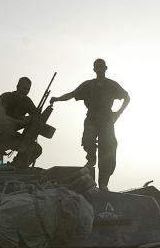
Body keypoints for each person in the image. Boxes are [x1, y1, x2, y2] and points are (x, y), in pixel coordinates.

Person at [50, 58, 129, 190]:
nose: (99, 69)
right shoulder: (88, 85)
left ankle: (103, 183)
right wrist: (57, 99)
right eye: (97, 67)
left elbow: (127, 97)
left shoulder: (112, 85)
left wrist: (118, 113)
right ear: (94, 69)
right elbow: (72, 94)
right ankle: (91, 158)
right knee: (88, 140)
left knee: (108, 150)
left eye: (102, 66)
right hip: (92, 117)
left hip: (107, 119)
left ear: (106, 68)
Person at [0, 77, 43, 166]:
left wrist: (37, 118)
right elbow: (1, 118)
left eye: (28, 89)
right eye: (24, 88)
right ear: (17, 86)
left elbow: (37, 117)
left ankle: (16, 165)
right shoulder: (6, 97)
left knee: (36, 149)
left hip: (11, 135)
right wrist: (21, 121)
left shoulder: (27, 102)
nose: (26, 91)